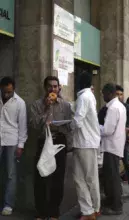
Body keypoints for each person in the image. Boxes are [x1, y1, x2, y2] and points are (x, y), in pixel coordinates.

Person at [30, 76, 72, 220]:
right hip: (43, 141)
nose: (53, 89)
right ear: (45, 87)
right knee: (41, 176)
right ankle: (41, 212)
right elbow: (34, 125)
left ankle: (54, 212)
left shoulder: (65, 105)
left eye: (55, 86)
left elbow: (69, 126)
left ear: (59, 88)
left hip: (59, 141)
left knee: (58, 179)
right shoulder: (37, 105)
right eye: (50, 86)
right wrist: (46, 108)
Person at [71, 72, 101, 219]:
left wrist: (67, 125)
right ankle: (88, 210)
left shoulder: (84, 97)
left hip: (85, 143)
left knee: (88, 178)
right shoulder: (88, 96)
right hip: (84, 142)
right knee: (80, 178)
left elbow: (78, 120)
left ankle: (93, 209)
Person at [0, 77, 27, 216]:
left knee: (11, 174)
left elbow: (23, 125)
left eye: (9, 92)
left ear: (14, 89)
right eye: (4, 92)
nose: (6, 95)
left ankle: (8, 204)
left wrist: (21, 145)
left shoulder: (20, 103)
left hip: (12, 140)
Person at [99, 83, 127, 215]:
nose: (102, 96)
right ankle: (111, 201)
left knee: (113, 177)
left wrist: (95, 126)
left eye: (103, 93)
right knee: (111, 176)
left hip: (111, 146)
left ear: (110, 93)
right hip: (115, 145)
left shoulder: (113, 108)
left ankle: (116, 206)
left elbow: (107, 130)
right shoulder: (119, 106)